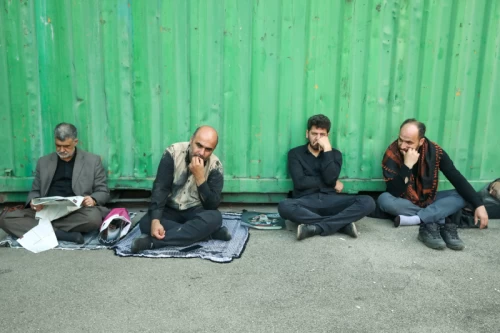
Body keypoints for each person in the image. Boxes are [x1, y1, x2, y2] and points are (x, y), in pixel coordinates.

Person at [378, 118, 489, 250]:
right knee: (384, 199)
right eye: (400, 139)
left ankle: (416, 219)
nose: (402, 145)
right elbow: (393, 191)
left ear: (421, 141)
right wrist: (407, 166)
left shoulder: (435, 152)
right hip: (404, 200)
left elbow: (456, 177)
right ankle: (439, 218)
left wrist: (479, 205)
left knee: (462, 195)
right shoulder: (392, 153)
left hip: (429, 199)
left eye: (408, 142)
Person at [0, 123, 110, 244]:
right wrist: (34, 201)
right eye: (58, 145)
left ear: (75, 142)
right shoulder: (44, 162)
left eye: (66, 146)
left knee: (93, 219)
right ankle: (62, 234)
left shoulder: (92, 161)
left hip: (76, 211)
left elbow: (103, 191)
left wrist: (93, 199)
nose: (62, 150)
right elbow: (35, 190)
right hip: (47, 209)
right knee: (5, 219)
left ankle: (43, 229)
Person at [131, 126, 230, 253]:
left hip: (196, 210)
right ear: (191, 140)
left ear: (213, 150)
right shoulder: (172, 153)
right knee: (146, 223)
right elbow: (160, 188)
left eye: (208, 149)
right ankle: (207, 234)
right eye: (198, 145)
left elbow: (212, 205)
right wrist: (156, 221)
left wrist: (200, 177)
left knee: (215, 218)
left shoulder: (215, 166)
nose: (201, 152)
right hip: (171, 209)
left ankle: (152, 243)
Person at [278, 114, 376, 241]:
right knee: (284, 206)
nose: (317, 138)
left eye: (322, 134)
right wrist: (332, 183)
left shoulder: (335, 154)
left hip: (331, 201)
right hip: (306, 202)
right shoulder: (295, 154)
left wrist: (327, 150)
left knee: (368, 202)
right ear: (307, 133)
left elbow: (330, 179)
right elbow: (300, 183)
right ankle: (341, 225)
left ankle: (316, 227)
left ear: (327, 136)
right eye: (314, 133)